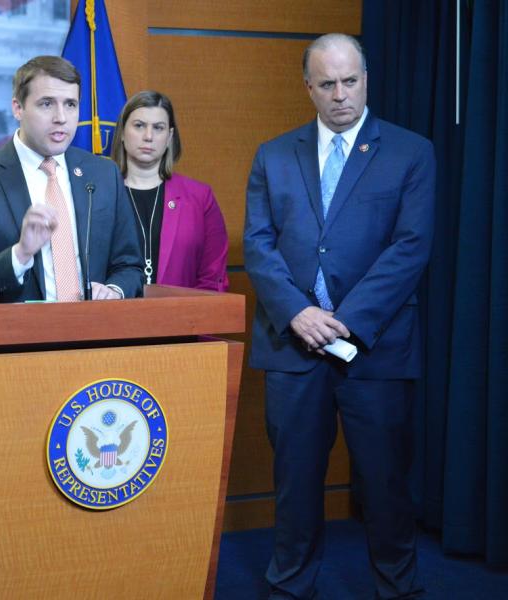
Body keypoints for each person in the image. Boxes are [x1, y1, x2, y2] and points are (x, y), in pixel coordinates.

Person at [243, 34, 435, 599]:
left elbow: (411, 246)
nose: (340, 94)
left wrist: (345, 320)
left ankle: (398, 589)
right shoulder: (274, 154)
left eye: (349, 81)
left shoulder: (411, 151)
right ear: (308, 87)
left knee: (384, 484)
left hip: (376, 346)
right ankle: (290, 588)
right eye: (326, 83)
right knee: (294, 485)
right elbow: (258, 244)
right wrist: (297, 311)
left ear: (366, 79)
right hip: (291, 345)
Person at [0, 55, 143, 304]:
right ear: (18, 108)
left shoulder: (104, 174)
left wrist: (114, 290)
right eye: (47, 104)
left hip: (96, 336)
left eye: (70, 104)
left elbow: (130, 266)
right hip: (18, 338)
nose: (61, 117)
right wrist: (20, 254)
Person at [111, 90, 229, 291]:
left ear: (169, 137)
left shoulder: (200, 198)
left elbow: (213, 276)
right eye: (139, 126)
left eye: (158, 128)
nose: (148, 136)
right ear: (122, 132)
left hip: (182, 318)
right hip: (114, 317)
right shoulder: (100, 196)